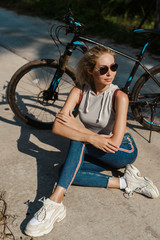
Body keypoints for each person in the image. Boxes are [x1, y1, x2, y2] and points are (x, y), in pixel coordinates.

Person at [24, 45, 159, 237]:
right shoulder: (79, 90)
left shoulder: (119, 96)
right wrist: (89, 136)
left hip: (122, 151)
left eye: (113, 67)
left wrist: (79, 130)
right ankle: (125, 182)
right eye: (103, 69)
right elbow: (57, 126)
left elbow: (114, 142)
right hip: (96, 146)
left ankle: (55, 203)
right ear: (90, 70)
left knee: (76, 140)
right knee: (65, 171)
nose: (110, 73)